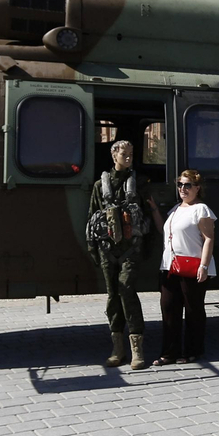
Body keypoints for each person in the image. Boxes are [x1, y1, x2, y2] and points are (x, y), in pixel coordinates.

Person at [87, 140, 151, 369]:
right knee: (113, 295)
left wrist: (148, 248)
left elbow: (146, 217)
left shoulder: (139, 183)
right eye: (125, 154)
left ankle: (137, 349)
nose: (129, 157)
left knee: (126, 290)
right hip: (107, 249)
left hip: (131, 249)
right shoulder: (99, 186)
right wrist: (93, 249)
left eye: (131, 154)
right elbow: (92, 218)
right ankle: (117, 348)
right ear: (114, 155)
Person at [156, 168, 217, 364]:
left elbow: (209, 239)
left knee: (193, 310)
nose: (183, 188)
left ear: (197, 188)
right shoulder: (175, 210)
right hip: (170, 266)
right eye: (180, 184)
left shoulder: (201, 209)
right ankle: (168, 353)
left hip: (192, 266)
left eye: (187, 185)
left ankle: (193, 351)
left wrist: (204, 266)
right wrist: (153, 210)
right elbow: (164, 231)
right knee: (169, 309)